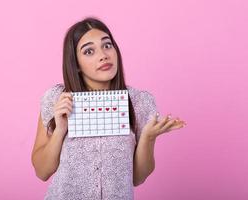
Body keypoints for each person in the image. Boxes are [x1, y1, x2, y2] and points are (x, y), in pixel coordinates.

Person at [31, 17, 186, 200]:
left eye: (107, 45)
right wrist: (60, 130)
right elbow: (42, 172)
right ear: (76, 64)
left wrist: (148, 138)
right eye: (89, 51)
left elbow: (138, 177)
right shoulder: (57, 100)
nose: (103, 55)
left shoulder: (139, 102)